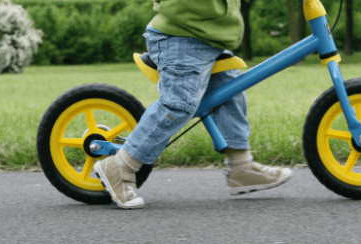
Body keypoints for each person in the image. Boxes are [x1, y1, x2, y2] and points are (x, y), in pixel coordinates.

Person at [92, 0, 293, 209]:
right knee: (178, 104)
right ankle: (121, 165)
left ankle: (241, 167)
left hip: (208, 39)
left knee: (230, 92)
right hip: (180, 38)